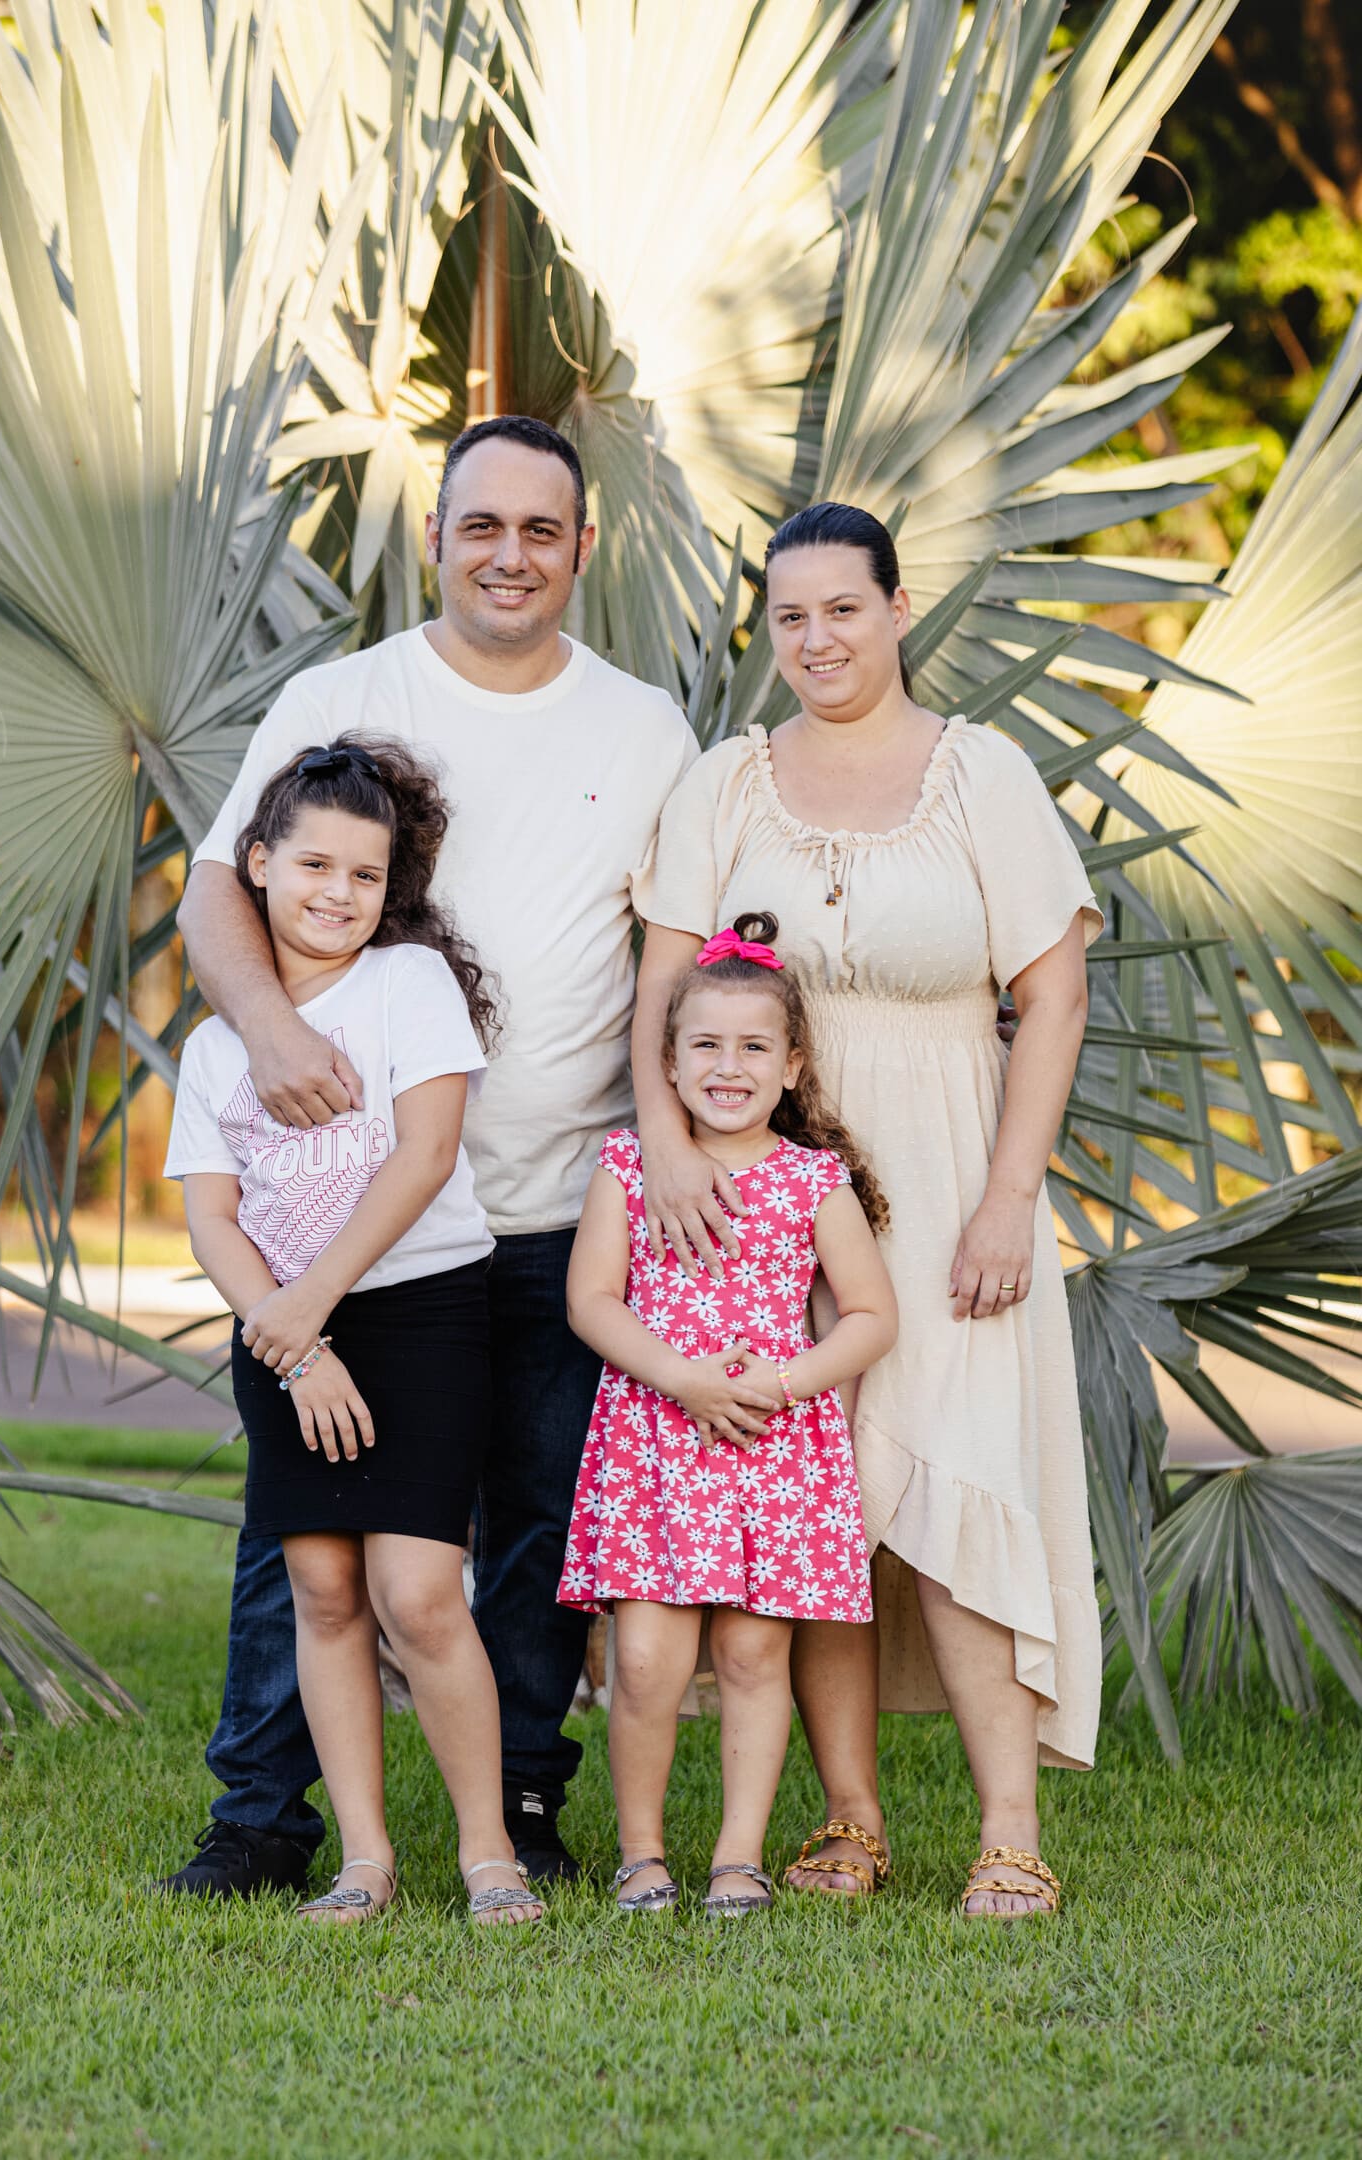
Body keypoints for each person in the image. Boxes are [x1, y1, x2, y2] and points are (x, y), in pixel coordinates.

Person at [159, 415, 697, 1899]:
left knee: (535, 1526)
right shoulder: (344, 695)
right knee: (308, 1544)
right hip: (326, 1219)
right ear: (437, 537)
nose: (509, 554)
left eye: (542, 529)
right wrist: (266, 1029)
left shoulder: (648, 725)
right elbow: (219, 883)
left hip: (548, 1204)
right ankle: (264, 1815)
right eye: (481, 525)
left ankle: (518, 1803)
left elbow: (678, 953)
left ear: (583, 547)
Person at [633, 502, 1101, 1919]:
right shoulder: (724, 784)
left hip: (952, 1168)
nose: (817, 639)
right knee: (811, 1502)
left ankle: (1010, 1835)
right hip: (758, 1191)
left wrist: (1012, 1196)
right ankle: (849, 1823)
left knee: (956, 1481)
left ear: (901, 610)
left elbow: (1054, 994)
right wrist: (671, 1159)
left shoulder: (986, 777)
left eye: (844, 608)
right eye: (789, 616)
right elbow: (660, 993)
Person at [164, 736, 542, 1925]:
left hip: (419, 1312)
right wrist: (293, 1340)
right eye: (314, 865)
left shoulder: (407, 988)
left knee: (420, 1592)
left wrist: (314, 1307)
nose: (338, 893)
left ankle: (491, 1857)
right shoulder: (217, 1045)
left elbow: (427, 1158)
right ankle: (364, 1863)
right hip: (283, 1338)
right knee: (322, 1592)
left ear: (393, 891)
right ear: (257, 865)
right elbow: (213, 1217)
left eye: (366, 876)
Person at [562, 915, 896, 1918]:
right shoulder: (629, 1169)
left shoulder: (811, 1180)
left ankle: (737, 1858)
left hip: (772, 1450)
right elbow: (590, 1302)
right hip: (657, 1443)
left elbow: (873, 1317)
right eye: (704, 1044)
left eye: (754, 1047)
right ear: (667, 1062)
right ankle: (642, 1854)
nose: (728, 1065)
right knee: (649, 1660)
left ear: (792, 1066)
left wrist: (783, 1383)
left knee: (755, 1657)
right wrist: (683, 1379)